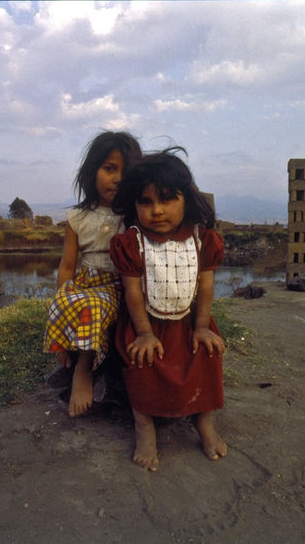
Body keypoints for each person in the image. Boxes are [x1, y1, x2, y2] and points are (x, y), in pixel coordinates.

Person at [110, 148, 227, 472]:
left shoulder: (202, 240)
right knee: (142, 364)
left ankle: (205, 422)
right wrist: (144, 333)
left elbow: (205, 286)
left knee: (205, 358)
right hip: (146, 324)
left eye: (166, 199)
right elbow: (132, 293)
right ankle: (144, 427)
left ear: (186, 199)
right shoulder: (132, 243)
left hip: (190, 323)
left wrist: (202, 327)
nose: (156, 211)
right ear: (134, 204)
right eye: (145, 202)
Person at [43, 131, 142, 417]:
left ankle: (83, 370)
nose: (118, 178)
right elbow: (66, 267)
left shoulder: (134, 215)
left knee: (92, 307)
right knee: (62, 303)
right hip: (85, 282)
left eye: (126, 172)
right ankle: (67, 347)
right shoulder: (77, 218)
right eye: (110, 169)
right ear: (92, 171)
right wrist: (63, 307)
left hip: (117, 286)